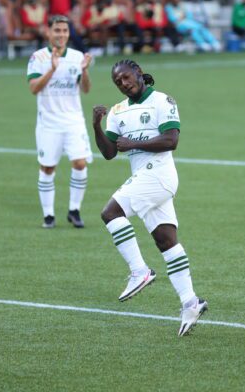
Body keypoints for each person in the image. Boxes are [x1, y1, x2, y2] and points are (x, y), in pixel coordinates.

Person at [92, 59, 208, 336]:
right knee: (166, 241)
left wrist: (133, 143)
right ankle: (191, 302)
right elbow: (109, 152)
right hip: (146, 178)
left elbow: (171, 140)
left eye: (126, 77)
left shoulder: (162, 101)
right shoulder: (118, 111)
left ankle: (139, 271)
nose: (123, 84)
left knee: (110, 213)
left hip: (159, 174)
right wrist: (96, 124)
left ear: (139, 74)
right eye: (117, 82)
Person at [27, 15, 93, 229]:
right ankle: (48, 215)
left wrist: (84, 71)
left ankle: (74, 210)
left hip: (73, 120)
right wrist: (52, 69)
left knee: (80, 163)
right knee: (47, 168)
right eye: (57, 30)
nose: (61, 35)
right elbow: (34, 88)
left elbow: (86, 89)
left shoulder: (76, 57)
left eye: (65, 31)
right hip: (48, 123)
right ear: (49, 32)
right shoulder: (37, 58)